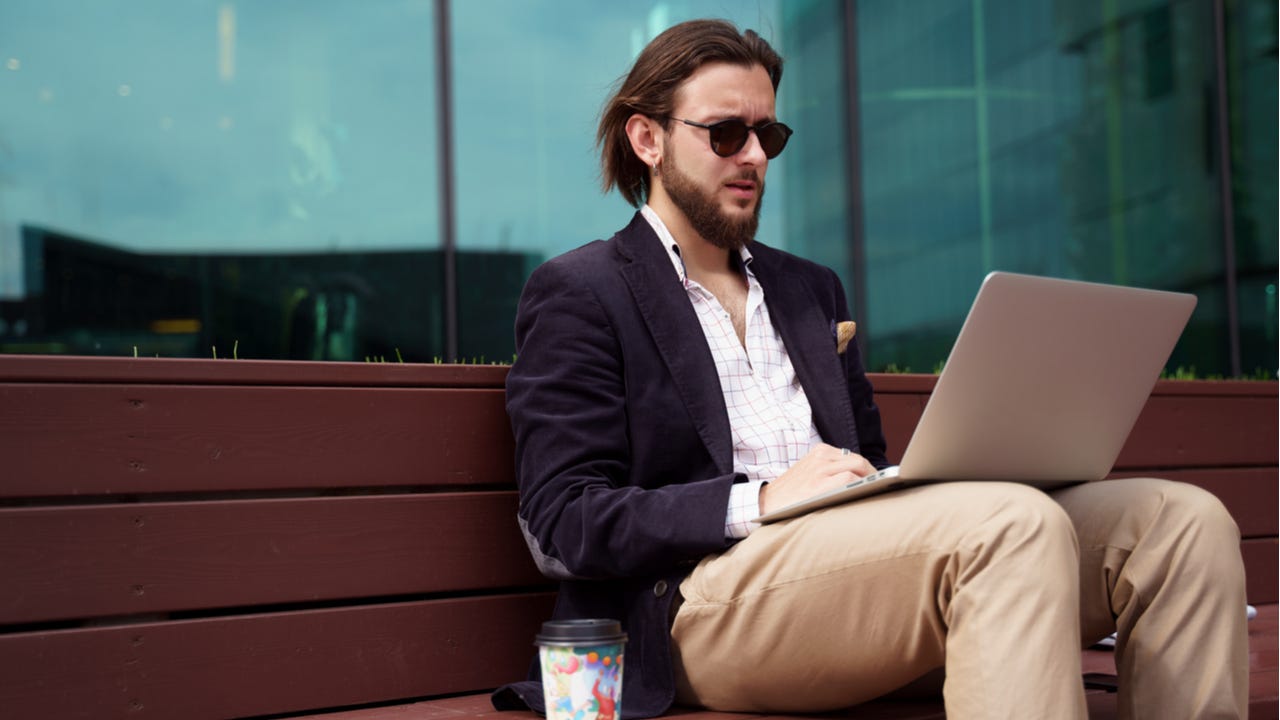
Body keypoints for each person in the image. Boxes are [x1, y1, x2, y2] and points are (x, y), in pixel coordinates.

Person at [491, 18, 1248, 720]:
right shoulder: (584, 291)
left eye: (768, 134)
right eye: (726, 134)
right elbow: (563, 523)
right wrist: (757, 502)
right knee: (1008, 526)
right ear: (647, 139)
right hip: (698, 605)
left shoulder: (807, 288)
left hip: (851, 577)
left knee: (1180, 524)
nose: (754, 156)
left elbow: (869, 461)